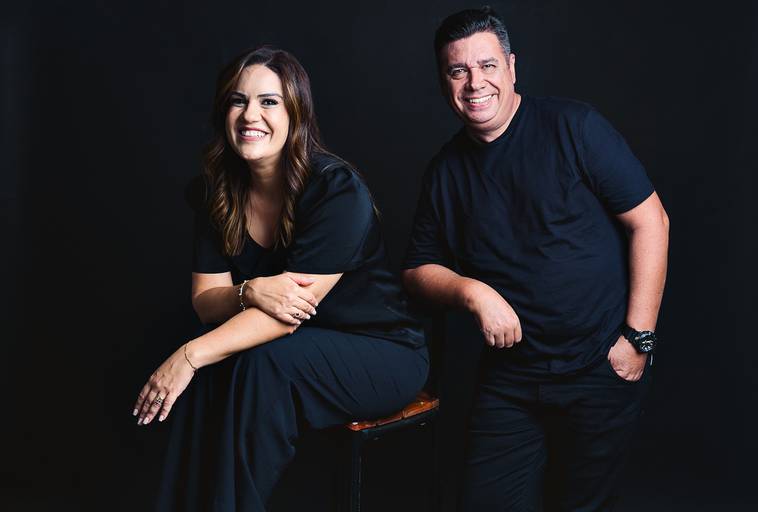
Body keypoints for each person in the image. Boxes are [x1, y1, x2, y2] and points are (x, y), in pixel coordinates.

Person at [133, 46, 428, 511]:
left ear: (296, 113)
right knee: (210, 371)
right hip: (294, 343)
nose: (250, 115)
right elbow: (206, 301)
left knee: (252, 363)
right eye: (238, 101)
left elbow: (289, 314)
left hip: (382, 351)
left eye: (268, 101)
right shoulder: (216, 190)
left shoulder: (336, 190)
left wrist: (188, 356)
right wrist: (250, 290)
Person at [402, 7, 669, 511]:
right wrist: (472, 292)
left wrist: (638, 339)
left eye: (487, 65)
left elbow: (651, 221)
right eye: (458, 71)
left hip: (600, 365)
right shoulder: (445, 172)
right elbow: (417, 270)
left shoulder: (574, 127)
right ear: (443, 81)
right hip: (512, 379)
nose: (474, 83)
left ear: (511, 67)